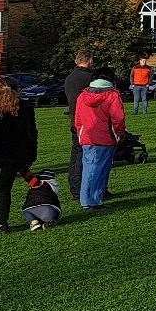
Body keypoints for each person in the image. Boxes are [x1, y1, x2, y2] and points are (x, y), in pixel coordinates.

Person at [0, 78, 37, 234]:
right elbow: (31, 133)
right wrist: (30, 154)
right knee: (4, 188)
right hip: (13, 153)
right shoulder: (25, 107)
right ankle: (2, 223)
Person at [74, 77, 125, 211]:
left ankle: (89, 199)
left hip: (87, 137)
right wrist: (119, 133)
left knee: (89, 169)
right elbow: (118, 117)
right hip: (105, 138)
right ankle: (92, 201)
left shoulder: (82, 96)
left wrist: (80, 132)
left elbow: (78, 118)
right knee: (100, 170)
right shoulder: (112, 96)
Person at [62, 52, 95, 202]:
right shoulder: (89, 78)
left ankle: (75, 186)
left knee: (76, 154)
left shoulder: (70, 77)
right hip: (88, 121)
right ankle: (84, 187)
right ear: (88, 60)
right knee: (88, 156)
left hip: (74, 121)